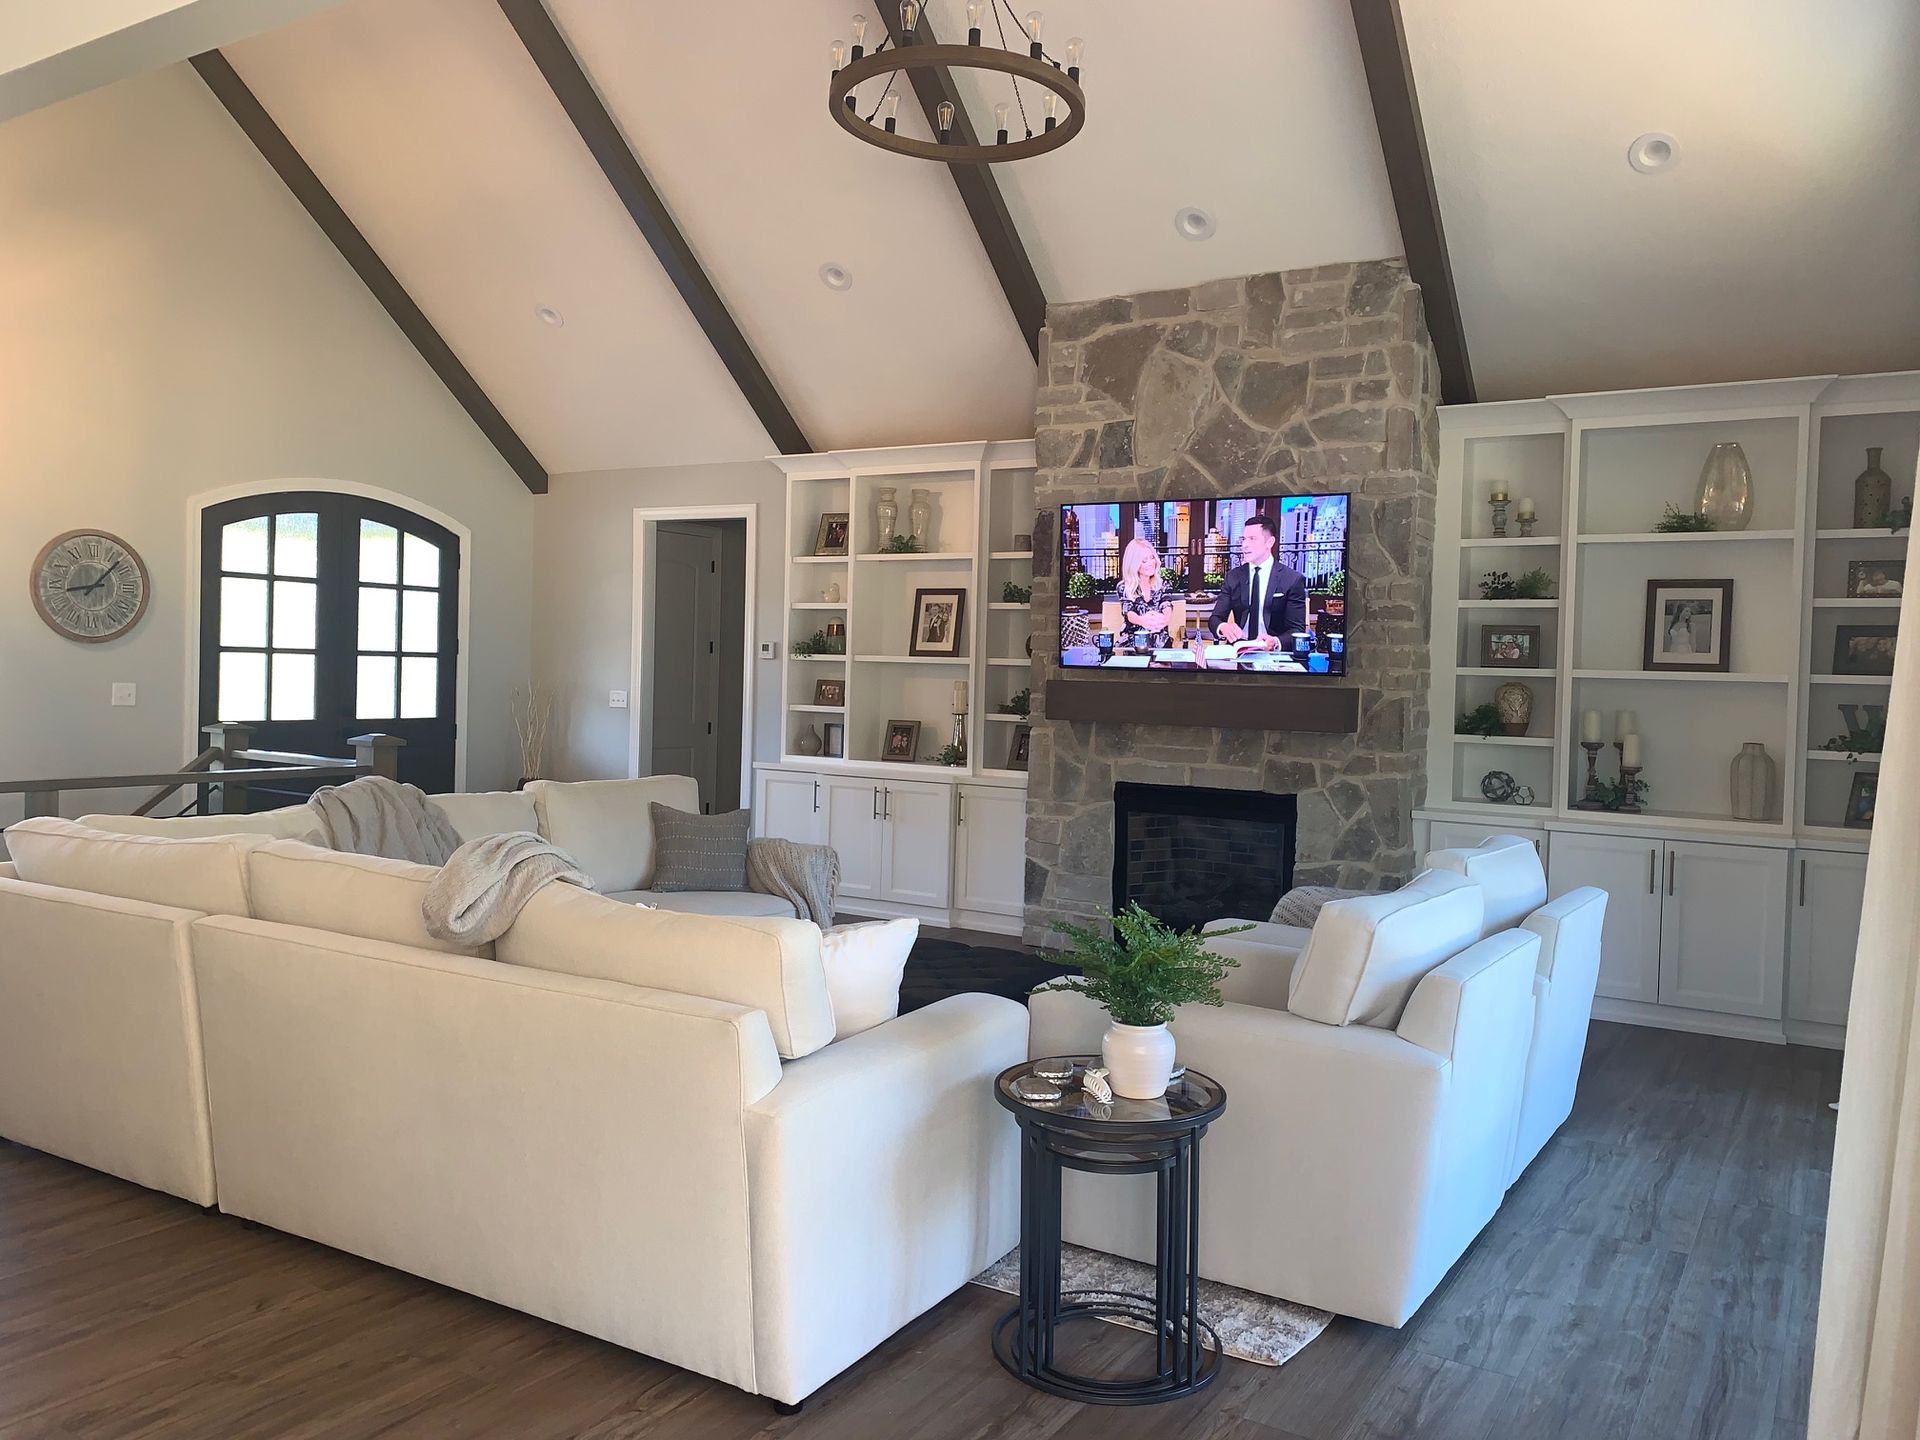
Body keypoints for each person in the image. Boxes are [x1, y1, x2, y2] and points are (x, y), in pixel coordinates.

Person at [1209, 514, 1306, 650]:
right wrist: (1223, 627)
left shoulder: (1292, 579)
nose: (1244, 545)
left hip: (1273, 654)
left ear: (1270, 542)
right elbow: (1215, 619)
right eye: (1243, 539)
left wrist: (1275, 641)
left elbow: (1297, 630)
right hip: (1240, 649)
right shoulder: (1233, 576)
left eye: (1252, 539)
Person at [1116, 537, 1172, 650]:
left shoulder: (1162, 584)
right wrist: (1143, 621)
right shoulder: (1124, 587)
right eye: (1144, 561)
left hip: (1160, 642)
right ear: (1134, 564)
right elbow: (1128, 612)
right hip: (1133, 642)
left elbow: (1166, 604)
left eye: (1152, 558)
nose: (1151, 563)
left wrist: (1163, 620)